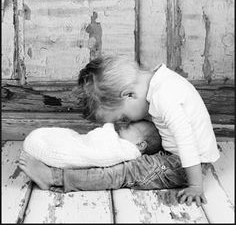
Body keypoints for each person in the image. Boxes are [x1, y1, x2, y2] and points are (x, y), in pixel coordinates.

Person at [19, 55, 220, 207]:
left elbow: (186, 141)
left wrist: (195, 185)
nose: (127, 122)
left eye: (123, 118)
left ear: (129, 95)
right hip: (180, 156)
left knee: (123, 173)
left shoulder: (163, 96)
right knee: (121, 156)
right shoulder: (161, 81)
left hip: (187, 166)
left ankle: (54, 178)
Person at [22, 120, 162, 168]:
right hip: (81, 142)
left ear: (141, 145)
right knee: (69, 136)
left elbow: (98, 146)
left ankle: (41, 148)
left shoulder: (126, 151)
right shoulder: (123, 146)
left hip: (77, 151)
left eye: (129, 128)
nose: (123, 127)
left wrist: (108, 126)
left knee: (42, 142)